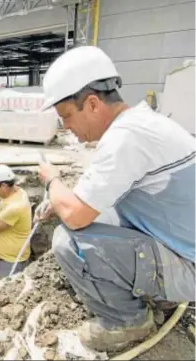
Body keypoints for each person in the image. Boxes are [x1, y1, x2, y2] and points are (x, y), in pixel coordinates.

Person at [35, 46, 195, 352]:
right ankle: (150, 292)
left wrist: (53, 180)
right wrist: (61, 201)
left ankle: (127, 322)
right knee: (99, 213)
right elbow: (98, 192)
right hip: (182, 245)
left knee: (68, 241)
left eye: (67, 116)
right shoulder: (140, 124)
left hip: (188, 267)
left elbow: (76, 216)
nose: (66, 127)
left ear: (93, 104)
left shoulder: (125, 140)